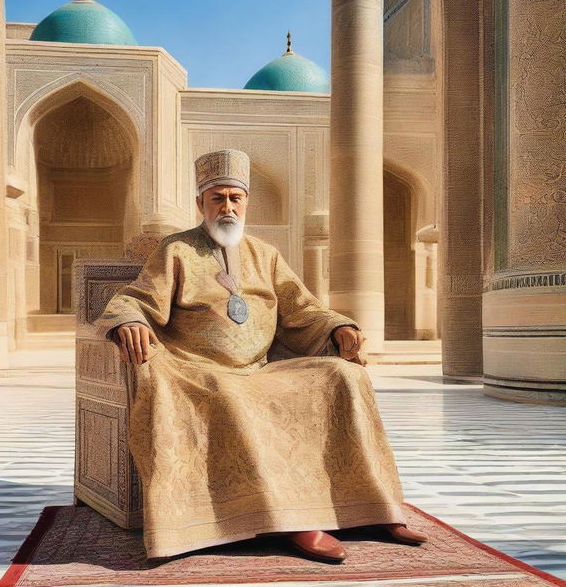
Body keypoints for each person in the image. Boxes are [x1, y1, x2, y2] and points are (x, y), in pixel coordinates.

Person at [93, 149, 428, 563]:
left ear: (247, 202)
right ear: (201, 204)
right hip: (196, 369)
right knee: (233, 396)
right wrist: (129, 320)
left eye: (236, 198)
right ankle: (293, 521)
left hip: (261, 367)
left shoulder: (265, 254)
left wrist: (338, 325)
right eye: (218, 198)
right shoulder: (175, 250)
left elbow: (302, 308)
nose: (228, 207)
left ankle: (375, 509)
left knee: (346, 377)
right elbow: (139, 298)